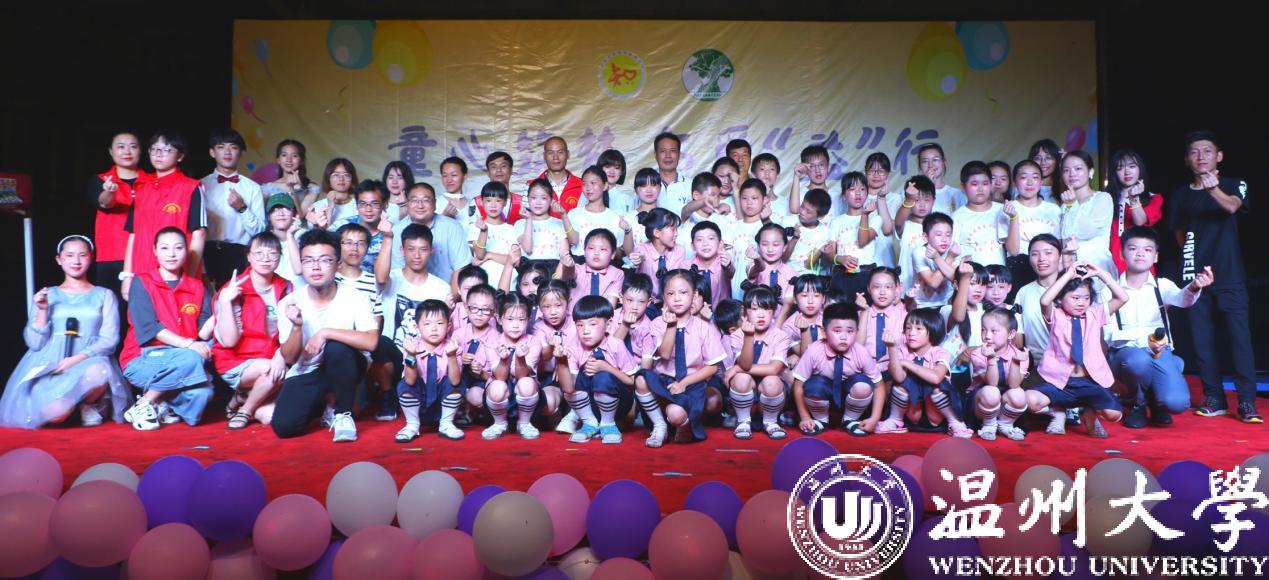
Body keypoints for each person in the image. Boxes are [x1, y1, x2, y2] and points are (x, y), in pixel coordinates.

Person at [1170, 131, 1258, 422]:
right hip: (1195, 277)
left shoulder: (1234, 184)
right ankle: (1214, 397)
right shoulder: (1180, 195)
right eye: (1194, 152)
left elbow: (1232, 206)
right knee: (1202, 340)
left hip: (1230, 275)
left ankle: (1246, 401)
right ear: (1186, 159)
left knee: (1239, 339)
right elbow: (1179, 234)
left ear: (1219, 156)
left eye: (1207, 151)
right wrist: (1192, 262)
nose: (1201, 157)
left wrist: (1213, 190)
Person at [0, 236, 128, 429]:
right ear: (59, 260)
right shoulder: (48, 294)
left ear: (91, 258)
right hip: (53, 362)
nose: (76, 261)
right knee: (56, 414)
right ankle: (68, 406)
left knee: (100, 370)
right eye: (69, 255)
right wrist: (42, 310)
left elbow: (109, 340)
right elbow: (35, 343)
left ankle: (88, 404)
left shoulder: (104, 295)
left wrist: (76, 360)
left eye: (82, 255)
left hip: (88, 359)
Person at [271, 229, 380, 441]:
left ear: (338, 264)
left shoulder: (355, 297)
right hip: (309, 370)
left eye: (324, 260)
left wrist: (325, 333)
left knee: (336, 347)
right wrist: (296, 327)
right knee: (284, 427)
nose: (315, 267)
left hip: (347, 366)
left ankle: (343, 414)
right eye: (308, 260)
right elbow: (290, 357)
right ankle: (325, 402)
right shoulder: (289, 303)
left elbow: (372, 342)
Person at [1110, 227, 1213, 428]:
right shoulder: (1110, 288)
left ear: (1156, 257)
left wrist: (1194, 286)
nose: (1140, 254)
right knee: (1137, 361)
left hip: (1159, 352)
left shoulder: (1162, 285)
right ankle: (1136, 404)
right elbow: (1109, 334)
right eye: (1133, 248)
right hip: (1124, 355)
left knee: (1177, 403)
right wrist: (1145, 341)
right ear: (1122, 254)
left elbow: (1182, 299)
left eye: (1147, 250)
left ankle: (1158, 402)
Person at [119, 227, 215, 430]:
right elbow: (149, 329)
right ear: (155, 251)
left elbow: (203, 333)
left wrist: (222, 307)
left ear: (186, 251)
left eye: (178, 248)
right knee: (192, 358)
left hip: (182, 359)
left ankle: (162, 402)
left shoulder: (197, 286)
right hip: (142, 358)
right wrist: (188, 345)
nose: (171, 254)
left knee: (203, 394)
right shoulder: (142, 282)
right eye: (164, 248)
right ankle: (144, 403)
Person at [1027, 262, 1129, 438]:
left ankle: (1088, 412)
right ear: (1060, 299)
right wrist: (1067, 275)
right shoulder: (1056, 315)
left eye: (1086, 298)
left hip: (1089, 382)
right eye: (1075, 298)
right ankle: (1058, 412)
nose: (1081, 303)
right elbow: (1044, 300)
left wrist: (1100, 273)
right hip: (1060, 382)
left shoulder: (1095, 314)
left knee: (1114, 415)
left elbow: (1123, 297)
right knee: (1029, 401)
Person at [212, 232, 292, 429]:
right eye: (258, 253)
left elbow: (290, 331)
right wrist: (225, 301)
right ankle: (245, 411)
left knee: (271, 417)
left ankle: (242, 398)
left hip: (272, 359)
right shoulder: (234, 288)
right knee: (275, 371)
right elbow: (229, 341)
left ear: (280, 257)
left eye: (272, 253)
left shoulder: (286, 287)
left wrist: (280, 355)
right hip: (236, 361)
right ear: (248, 256)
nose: (265, 259)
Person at [637, 269, 725, 446]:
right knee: (641, 379)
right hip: (665, 381)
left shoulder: (704, 327)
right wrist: (671, 326)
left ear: (694, 295)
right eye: (671, 294)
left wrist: (684, 383)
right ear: (664, 297)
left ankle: (684, 424)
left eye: (683, 292)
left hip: (692, 383)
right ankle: (660, 425)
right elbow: (665, 354)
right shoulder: (657, 324)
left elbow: (712, 367)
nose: (677, 298)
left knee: (676, 414)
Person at [121, 132, 207, 298]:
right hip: (142, 270)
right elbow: (133, 234)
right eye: (154, 149)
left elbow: (199, 234)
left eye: (167, 150)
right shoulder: (141, 186)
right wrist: (127, 276)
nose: (158, 154)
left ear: (180, 156)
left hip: (175, 271)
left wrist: (187, 279)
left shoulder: (191, 187)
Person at [554, 295, 641, 444]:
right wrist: (561, 361)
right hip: (590, 408)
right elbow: (569, 388)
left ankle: (608, 424)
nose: (585, 331)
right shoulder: (573, 348)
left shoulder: (616, 344)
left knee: (602, 376)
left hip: (619, 404)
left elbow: (632, 381)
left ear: (608, 325)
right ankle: (590, 423)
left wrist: (606, 367)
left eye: (593, 324)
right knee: (577, 374)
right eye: (580, 325)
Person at [792, 302, 882, 436]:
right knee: (814, 385)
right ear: (823, 332)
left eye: (850, 331)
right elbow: (798, 384)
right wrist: (805, 417)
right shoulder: (814, 350)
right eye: (837, 331)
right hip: (821, 399)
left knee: (863, 385)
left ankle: (850, 420)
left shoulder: (861, 352)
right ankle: (820, 420)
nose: (844, 337)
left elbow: (879, 386)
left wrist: (874, 418)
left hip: (849, 399)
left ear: (857, 332)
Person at [480, 293, 550, 440]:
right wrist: (504, 360)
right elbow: (500, 376)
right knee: (497, 386)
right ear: (499, 319)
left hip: (527, 396)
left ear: (528, 319)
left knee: (526, 382)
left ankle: (524, 423)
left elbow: (522, 375)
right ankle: (499, 423)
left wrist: (520, 358)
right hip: (498, 397)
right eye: (510, 319)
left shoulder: (533, 341)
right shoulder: (492, 341)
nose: (516, 325)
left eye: (521, 319)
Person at [876, 308, 957, 435]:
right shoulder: (901, 350)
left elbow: (936, 377)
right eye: (908, 328)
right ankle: (895, 420)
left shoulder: (941, 352)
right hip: (911, 414)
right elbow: (898, 378)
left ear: (933, 330)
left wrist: (907, 363)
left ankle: (955, 423)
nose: (911, 333)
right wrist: (891, 348)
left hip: (935, 416)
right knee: (902, 384)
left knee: (937, 387)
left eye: (919, 329)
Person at [201, 129, 265, 287]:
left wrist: (242, 208)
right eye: (221, 147)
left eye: (233, 147)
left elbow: (259, 231)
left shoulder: (253, 188)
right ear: (212, 152)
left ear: (241, 152)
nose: (227, 152)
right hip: (207, 251)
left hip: (240, 253)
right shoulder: (200, 185)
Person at [394, 299, 464, 443]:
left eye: (439, 323)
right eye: (427, 324)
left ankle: (446, 424)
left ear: (448, 326)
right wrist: (411, 355)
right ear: (416, 327)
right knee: (404, 385)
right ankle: (412, 425)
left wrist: (451, 356)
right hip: (419, 404)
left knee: (458, 384)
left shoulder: (453, 347)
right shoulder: (412, 346)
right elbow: (410, 381)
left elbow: (455, 381)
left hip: (443, 405)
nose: (434, 329)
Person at [89, 132, 146, 296]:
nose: (127, 151)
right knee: (112, 305)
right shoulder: (100, 180)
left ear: (141, 151)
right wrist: (109, 191)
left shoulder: (152, 181)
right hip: (111, 256)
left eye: (133, 146)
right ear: (111, 151)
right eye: (121, 147)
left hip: (145, 254)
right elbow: (105, 203)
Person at [389, 183, 473, 284]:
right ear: (407, 204)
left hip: (446, 290)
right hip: (407, 290)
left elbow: (461, 268)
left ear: (434, 203)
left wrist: (449, 294)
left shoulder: (452, 227)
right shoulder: (397, 231)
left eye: (426, 200)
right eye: (414, 200)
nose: (420, 205)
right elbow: (397, 271)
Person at [968, 306, 1029, 440]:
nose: (987, 336)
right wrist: (991, 358)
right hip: (982, 404)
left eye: (994, 331)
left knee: (1019, 394)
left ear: (1011, 334)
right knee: (991, 392)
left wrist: (1016, 362)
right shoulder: (977, 353)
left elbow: (1013, 385)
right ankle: (988, 425)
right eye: (983, 330)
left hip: (1005, 406)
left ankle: (1005, 425)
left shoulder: (1019, 354)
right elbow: (992, 383)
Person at [1003, 160, 1061, 290]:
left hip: (1049, 268)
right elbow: (1013, 251)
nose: (1029, 182)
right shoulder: (1007, 209)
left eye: (1035, 177)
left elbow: (1059, 245)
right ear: (1014, 182)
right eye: (1023, 177)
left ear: (1041, 181)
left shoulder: (1053, 209)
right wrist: (1013, 218)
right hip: (1018, 268)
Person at [1057, 151, 1116, 277]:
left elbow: (1088, 232)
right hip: (1072, 271)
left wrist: (1072, 204)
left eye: (1078, 168)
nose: (1072, 174)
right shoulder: (1065, 205)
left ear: (1091, 172)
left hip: (1097, 268)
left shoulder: (1102, 198)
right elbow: (1063, 240)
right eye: (1066, 170)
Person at [827, 172, 883, 300]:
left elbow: (862, 241)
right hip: (841, 274)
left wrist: (864, 215)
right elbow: (830, 255)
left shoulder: (875, 218)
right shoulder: (836, 222)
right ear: (843, 196)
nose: (858, 193)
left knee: (865, 310)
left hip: (866, 274)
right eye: (852, 189)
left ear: (867, 193)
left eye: (862, 189)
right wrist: (841, 259)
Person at [1107, 150, 1163, 274]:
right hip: (1108, 257)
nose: (1127, 172)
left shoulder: (1153, 198)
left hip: (1137, 256)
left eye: (1132, 166)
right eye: (1120, 168)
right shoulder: (1105, 198)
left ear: (1140, 169)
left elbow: (1139, 222)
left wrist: (1134, 198)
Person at [950, 161, 1006, 267]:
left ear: (991, 184)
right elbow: (953, 255)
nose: (980, 189)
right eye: (974, 184)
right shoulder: (957, 217)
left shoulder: (1001, 210)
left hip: (1000, 275)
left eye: (985, 183)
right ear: (963, 186)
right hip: (972, 276)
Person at [566, 165, 625, 256]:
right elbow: (568, 245)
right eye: (584, 184)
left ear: (605, 186)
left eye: (593, 183)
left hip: (606, 263)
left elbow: (619, 252)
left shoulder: (615, 218)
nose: (588, 188)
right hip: (579, 262)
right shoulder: (573, 214)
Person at [630, 208, 687, 302]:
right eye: (673, 230)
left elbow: (676, 280)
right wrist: (637, 259)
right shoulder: (642, 248)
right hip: (646, 302)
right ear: (657, 233)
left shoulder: (679, 250)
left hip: (671, 301)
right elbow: (640, 255)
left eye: (676, 230)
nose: (677, 234)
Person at [470, 181, 519, 286]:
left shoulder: (511, 229)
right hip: (483, 284)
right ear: (482, 201)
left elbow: (516, 261)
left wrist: (489, 255)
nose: (493, 205)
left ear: (505, 202)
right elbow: (480, 255)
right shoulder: (475, 227)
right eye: (488, 200)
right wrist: (483, 231)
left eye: (498, 200)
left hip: (509, 283)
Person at [560, 229, 624, 307]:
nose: (596, 253)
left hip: (603, 314)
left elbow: (611, 305)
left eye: (603, 249)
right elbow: (568, 274)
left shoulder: (617, 274)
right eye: (591, 248)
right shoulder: (577, 269)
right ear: (584, 251)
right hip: (574, 314)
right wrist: (568, 266)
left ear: (613, 254)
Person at [338, 180, 389, 271]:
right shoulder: (341, 225)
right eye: (362, 204)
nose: (368, 209)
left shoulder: (392, 232)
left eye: (374, 204)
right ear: (356, 205)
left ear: (384, 205)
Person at [263, 139, 323, 215]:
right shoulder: (267, 188)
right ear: (278, 159)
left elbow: (301, 216)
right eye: (284, 155)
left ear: (301, 160)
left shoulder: (312, 188)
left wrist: (293, 189)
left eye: (294, 156)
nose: (288, 160)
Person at [786, 189, 834, 276]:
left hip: (806, 276)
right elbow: (783, 258)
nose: (802, 212)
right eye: (802, 206)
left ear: (820, 216)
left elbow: (808, 265)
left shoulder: (824, 232)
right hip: (785, 272)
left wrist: (819, 251)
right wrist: (794, 239)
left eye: (808, 211)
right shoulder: (789, 221)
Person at [530, 136, 583, 214]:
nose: (555, 157)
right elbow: (526, 217)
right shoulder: (530, 186)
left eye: (560, 152)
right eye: (550, 153)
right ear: (544, 156)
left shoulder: (582, 185)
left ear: (568, 154)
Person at [916, 143, 967, 215]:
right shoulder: (911, 193)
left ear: (943, 162)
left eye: (935, 160)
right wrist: (928, 186)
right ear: (920, 166)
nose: (930, 165)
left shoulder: (956, 194)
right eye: (925, 161)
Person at [307, 158, 358, 229]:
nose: (341, 179)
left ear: (352, 179)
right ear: (328, 179)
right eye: (336, 175)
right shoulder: (317, 206)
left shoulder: (359, 206)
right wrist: (330, 206)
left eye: (346, 175)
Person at [788, 145, 838, 215]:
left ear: (828, 167)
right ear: (805, 169)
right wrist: (796, 176)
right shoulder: (799, 194)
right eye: (812, 166)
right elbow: (794, 210)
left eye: (821, 165)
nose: (817, 170)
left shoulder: (836, 195)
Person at [653, 132, 693, 215]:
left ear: (679, 154)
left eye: (673, 151)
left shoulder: (691, 185)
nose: (668, 155)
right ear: (655, 155)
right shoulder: (645, 186)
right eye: (663, 151)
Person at [437, 156, 476, 231]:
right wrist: (444, 219)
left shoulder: (474, 204)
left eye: (454, 175)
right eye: (445, 175)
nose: (449, 180)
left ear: (464, 176)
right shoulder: (434, 203)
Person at [599, 149, 635, 215]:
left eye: (616, 168)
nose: (612, 171)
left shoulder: (628, 199)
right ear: (600, 168)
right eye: (607, 167)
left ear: (621, 172)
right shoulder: (590, 194)